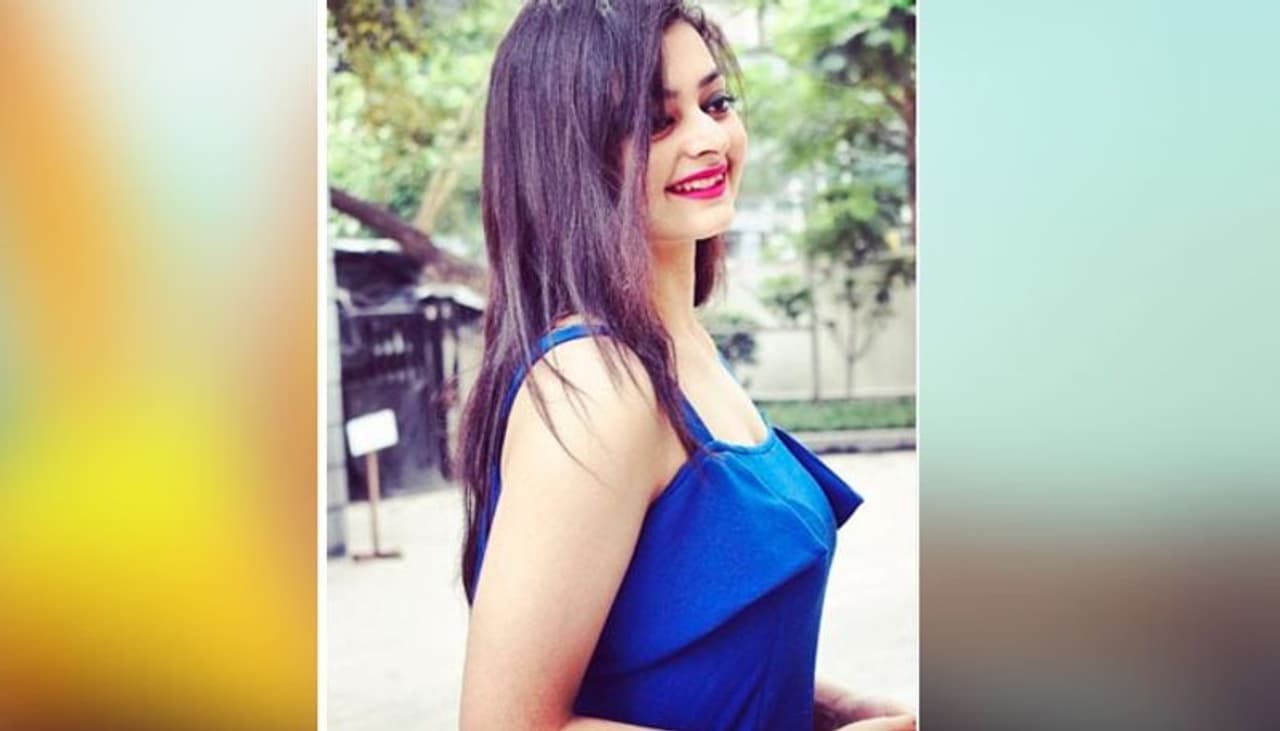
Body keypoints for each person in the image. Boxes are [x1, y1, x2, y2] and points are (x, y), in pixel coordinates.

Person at [455, 1, 915, 729]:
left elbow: (681, 650)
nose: (708, 138)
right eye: (656, 121)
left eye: (715, 103)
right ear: (571, 154)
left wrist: (828, 707)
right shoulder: (597, 382)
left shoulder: (682, 346)